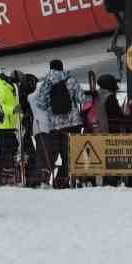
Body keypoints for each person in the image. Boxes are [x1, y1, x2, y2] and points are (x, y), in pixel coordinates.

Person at [32, 59, 83, 188]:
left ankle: (49, 180)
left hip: (54, 126)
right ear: (62, 67)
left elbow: (40, 103)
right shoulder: (71, 80)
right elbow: (81, 98)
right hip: (73, 123)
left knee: (53, 154)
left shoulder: (45, 83)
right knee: (70, 155)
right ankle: (63, 180)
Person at [0, 67, 20, 183]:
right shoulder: (0, 87)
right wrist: (13, 110)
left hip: (8, 126)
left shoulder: (7, 87)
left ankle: (4, 177)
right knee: (5, 153)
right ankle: (2, 178)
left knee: (10, 151)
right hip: (2, 127)